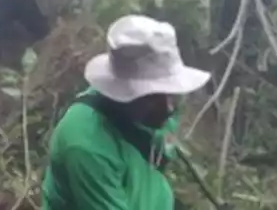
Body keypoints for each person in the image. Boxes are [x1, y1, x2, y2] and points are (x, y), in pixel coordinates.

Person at [42, 15, 211, 209]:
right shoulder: (85, 142)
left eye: (170, 92)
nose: (169, 108)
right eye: (153, 96)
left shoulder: (158, 112)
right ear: (124, 92)